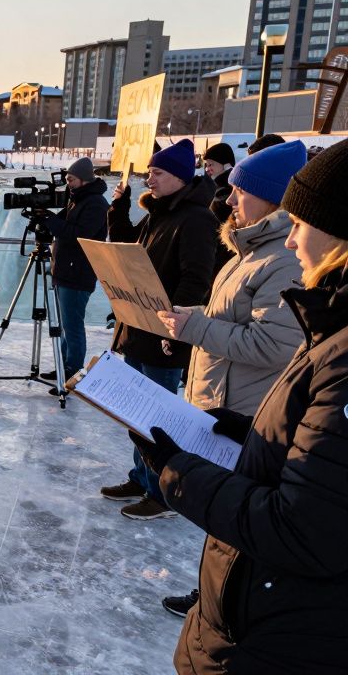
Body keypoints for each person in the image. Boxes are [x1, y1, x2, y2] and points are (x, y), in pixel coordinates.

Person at [130, 138, 348, 672]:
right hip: (260, 615)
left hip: (277, 635)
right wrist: (250, 432)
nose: (295, 240)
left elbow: (301, 528)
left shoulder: (327, 327)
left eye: (303, 222)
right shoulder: (315, 305)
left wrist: (179, 473)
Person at [152, 140, 307, 619]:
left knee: (234, 516)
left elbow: (273, 345)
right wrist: (189, 319)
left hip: (245, 409)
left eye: (241, 191)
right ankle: (212, 594)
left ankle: (222, 602)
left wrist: (196, 328)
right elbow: (231, 317)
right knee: (221, 515)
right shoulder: (250, 249)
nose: (230, 199)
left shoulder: (282, 259)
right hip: (222, 398)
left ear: (272, 198)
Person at [100, 139, 219, 520]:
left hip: (165, 333)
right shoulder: (159, 214)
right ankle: (142, 477)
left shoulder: (197, 219)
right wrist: (118, 206)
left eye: (158, 172)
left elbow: (196, 277)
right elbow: (125, 248)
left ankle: (162, 492)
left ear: (180, 178)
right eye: (150, 171)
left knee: (159, 417)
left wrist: (175, 327)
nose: (149, 177)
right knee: (137, 412)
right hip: (139, 325)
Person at [39, 156, 108, 390]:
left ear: (84, 179)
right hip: (66, 271)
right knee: (67, 325)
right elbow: (66, 225)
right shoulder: (77, 199)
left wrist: (52, 222)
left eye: (71, 179)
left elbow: (80, 235)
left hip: (78, 274)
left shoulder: (96, 203)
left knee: (73, 326)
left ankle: (74, 373)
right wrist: (47, 217)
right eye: (67, 179)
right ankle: (63, 365)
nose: (68, 183)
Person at [202, 143, 236, 282]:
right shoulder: (216, 187)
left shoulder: (226, 189)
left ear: (226, 164)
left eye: (211, 164)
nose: (207, 168)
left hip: (222, 254)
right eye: (206, 165)